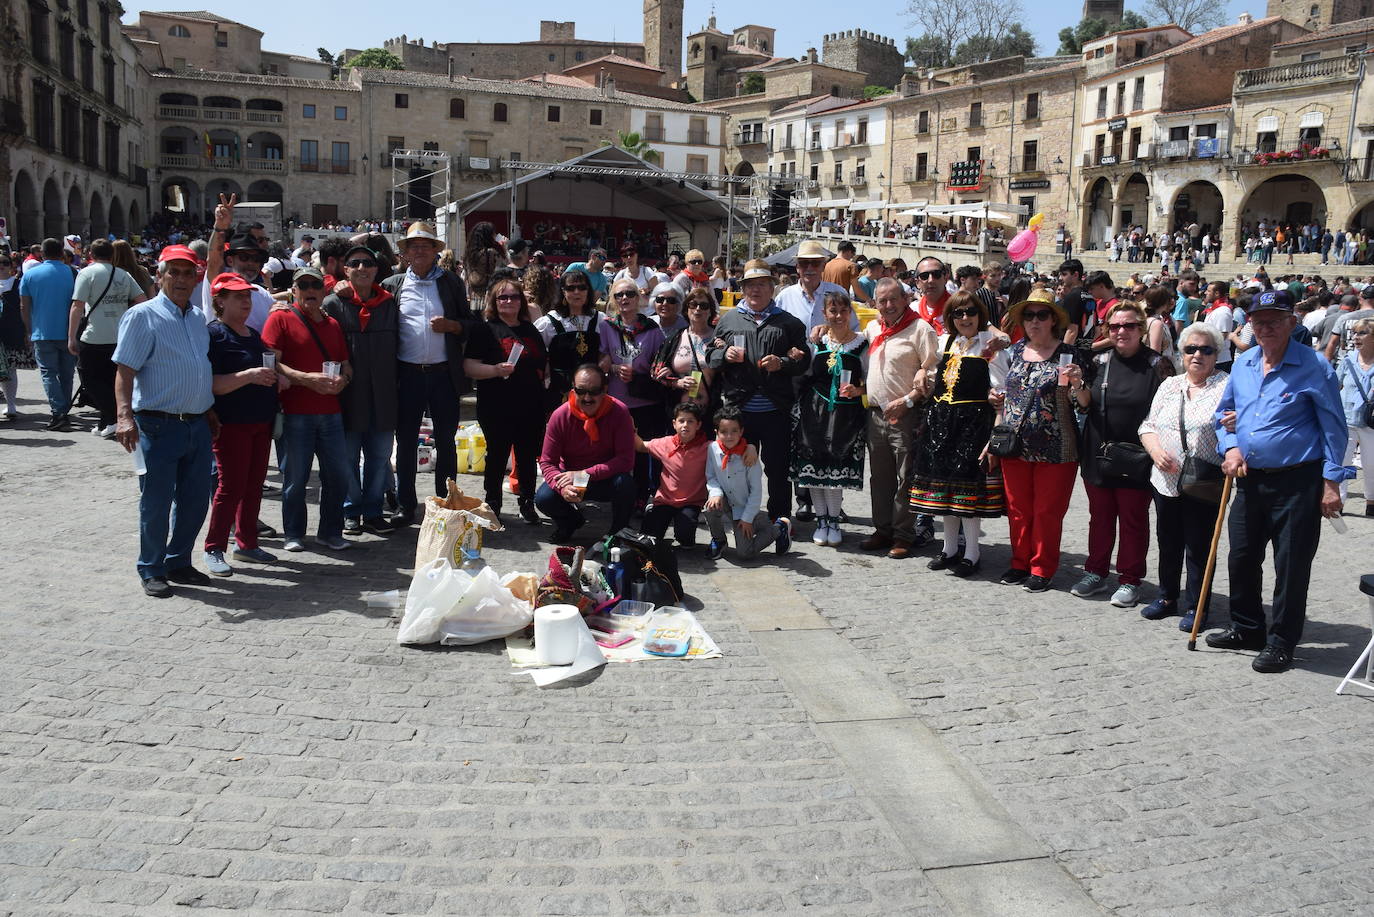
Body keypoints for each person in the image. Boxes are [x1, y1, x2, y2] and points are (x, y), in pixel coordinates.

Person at [1210, 289, 1351, 673]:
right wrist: (1231, 448)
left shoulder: (1315, 366)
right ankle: (1247, 628)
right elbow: (1224, 415)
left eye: (1275, 319)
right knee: (1241, 558)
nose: (1266, 327)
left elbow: (1334, 430)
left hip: (1298, 482)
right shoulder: (1245, 362)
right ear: (1249, 324)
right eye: (1259, 320)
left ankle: (1282, 641)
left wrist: (1332, 483)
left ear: (1292, 322)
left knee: (1290, 566)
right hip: (1249, 479)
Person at [111, 245, 215, 598]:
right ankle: (151, 567)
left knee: (195, 499)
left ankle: (179, 561)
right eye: (174, 272)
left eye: (189, 273)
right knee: (155, 501)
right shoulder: (143, 316)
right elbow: (125, 371)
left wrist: (209, 409)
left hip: (197, 424)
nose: (182, 279)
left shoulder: (198, 317)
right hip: (157, 424)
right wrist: (124, 416)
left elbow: (199, 368)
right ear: (159, 276)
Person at [1069, 301, 1173, 607]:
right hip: (1098, 450)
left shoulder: (1157, 364)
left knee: (1132, 520)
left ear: (1141, 329)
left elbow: (1167, 413)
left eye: (1129, 326)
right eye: (1114, 327)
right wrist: (1077, 385)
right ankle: (1096, 572)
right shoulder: (1099, 360)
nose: (1121, 331)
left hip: (1137, 456)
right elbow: (1085, 405)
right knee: (1099, 518)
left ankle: (1129, 579)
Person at [382, 222, 475, 526]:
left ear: (436, 252)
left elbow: (469, 323)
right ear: (405, 253)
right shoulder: (392, 285)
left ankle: (445, 503)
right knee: (406, 441)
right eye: (413, 246)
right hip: (406, 374)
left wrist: (453, 326)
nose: (419, 250)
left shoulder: (451, 283)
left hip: (442, 374)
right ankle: (406, 505)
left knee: (446, 441)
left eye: (425, 245)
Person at [706, 258, 808, 533]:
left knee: (777, 469)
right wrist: (723, 355)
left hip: (776, 410)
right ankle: (738, 516)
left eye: (761, 284)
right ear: (743, 288)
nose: (755, 290)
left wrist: (783, 364)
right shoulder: (729, 320)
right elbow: (710, 354)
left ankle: (780, 519)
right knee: (737, 468)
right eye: (750, 285)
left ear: (772, 288)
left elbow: (803, 359)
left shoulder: (789, 323)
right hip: (741, 412)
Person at [910, 291, 1008, 575]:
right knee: (945, 489)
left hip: (972, 424)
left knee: (967, 490)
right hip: (941, 422)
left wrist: (994, 426)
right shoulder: (945, 342)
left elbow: (1000, 388)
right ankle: (949, 549)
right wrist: (923, 373)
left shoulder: (989, 347)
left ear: (980, 315)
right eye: (958, 313)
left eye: (970, 312)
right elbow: (929, 367)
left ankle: (973, 553)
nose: (965, 318)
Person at [1138, 322, 1228, 629]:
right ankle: (1166, 596)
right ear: (1181, 352)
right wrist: (1155, 451)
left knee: (1200, 545)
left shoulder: (1226, 387)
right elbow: (1148, 425)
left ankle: (1197, 605)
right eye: (1190, 349)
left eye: (1206, 350)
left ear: (1217, 354)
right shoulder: (1169, 385)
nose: (1197, 355)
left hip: (1203, 480)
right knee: (1168, 541)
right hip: (1164, 479)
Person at [262, 267, 353, 553]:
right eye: (304, 285)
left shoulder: (333, 325)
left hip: (330, 411)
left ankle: (330, 532)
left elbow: (346, 364)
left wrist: (344, 380)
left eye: (315, 285)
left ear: (324, 291)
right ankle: (294, 533)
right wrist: (306, 378)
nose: (310, 290)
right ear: (294, 290)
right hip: (295, 412)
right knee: (295, 478)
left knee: (338, 475)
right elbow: (272, 362)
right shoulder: (280, 318)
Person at [998, 290, 1084, 592]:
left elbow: (1083, 403)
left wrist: (1078, 384)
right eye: (1029, 315)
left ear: (1052, 321)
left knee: (1047, 511)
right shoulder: (1016, 350)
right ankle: (1019, 562)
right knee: (1018, 508)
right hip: (1015, 447)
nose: (1035, 321)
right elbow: (1007, 397)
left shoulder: (1069, 354)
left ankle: (1042, 567)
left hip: (1056, 446)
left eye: (1041, 315)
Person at [202, 272, 285, 576]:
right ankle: (214, 547)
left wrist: (280, 378)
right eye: (238, 297)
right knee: (230, 487)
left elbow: (270, 367)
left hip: (259, 421)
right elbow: (210, 383)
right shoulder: (213, 335)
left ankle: (246, 543)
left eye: (248, 296)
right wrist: (248, 376)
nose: (246, 302)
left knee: (252, 486)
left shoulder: (253, 333)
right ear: (219, 302)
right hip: (231, 423)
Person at [323, 244, 399, 536]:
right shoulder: (333, 304)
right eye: (355, 263)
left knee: (380, 458)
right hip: (350, 395)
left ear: (377, 269)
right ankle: (351, 510)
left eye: (368, 263)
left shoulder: (390, 304)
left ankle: (373, 510)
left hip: (384, 394)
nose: (362, 268)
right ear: (346, 269)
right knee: (349, 458)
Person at [861, 277, 939, 558]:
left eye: (894, 299)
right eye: (882, 300)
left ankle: (903, 534)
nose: (888, 305)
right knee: (880, 477)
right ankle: (883, 530)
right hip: (875, 414)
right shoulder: (872, 328)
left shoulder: (920, 329)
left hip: (906, 414)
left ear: (906, 299)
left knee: (906, 477)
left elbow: (931, 373)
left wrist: (907, 401)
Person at [463, 278, 548, 523]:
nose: (509, 301)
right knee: (497, 455)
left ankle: (527, 501)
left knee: (527, 455)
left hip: (530, 403)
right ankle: (493, 502)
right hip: (496, 405)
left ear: (522, 301)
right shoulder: (484, 329)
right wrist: (495, 370)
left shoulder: (530, 329)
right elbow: (469, 367)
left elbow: (542, 362)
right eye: (503, 297)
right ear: (494, 301)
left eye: (514, 297)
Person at [791, 291, 868, 546]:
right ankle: (821, 520)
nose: (838, 316)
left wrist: (860, 390)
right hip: (815, 412)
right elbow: (806, 373)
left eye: (843, 311)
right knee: (816, 471)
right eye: (832, 311)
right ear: (825, 314)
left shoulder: (862, 343)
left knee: (835, 472)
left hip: (846, 415)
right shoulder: (817, 342)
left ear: (850, 312)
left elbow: (871, 378)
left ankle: (834, 521)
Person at [535, 364, 637, 541]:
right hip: (573, 480)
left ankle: (619, 531)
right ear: (573, 389)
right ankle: (570, 522)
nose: (587, 397)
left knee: (625, 484)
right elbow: (547, 462)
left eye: (594, 391)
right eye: (581, 391)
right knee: (544, 498)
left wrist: (584, 474)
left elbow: (626, 460)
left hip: (604, 478)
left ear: (605, 389)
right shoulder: (560, 415)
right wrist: (562, 486)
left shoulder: (619, 412)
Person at [65, 238, 146, 439]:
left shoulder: (87, 273)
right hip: (120, 336)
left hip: (94, 337)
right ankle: (107, 421)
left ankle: (112, 418)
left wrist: (71, 336)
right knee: (111, 380)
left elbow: (77, 306)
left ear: (91, 255)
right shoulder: (123, 274)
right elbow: (142, 300)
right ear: (112, 255)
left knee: (90, 380)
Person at [599, 278, 668, 499]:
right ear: (613, 300)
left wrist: (643, 373)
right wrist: (614, 367)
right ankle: (618, 494)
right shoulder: (606, 326)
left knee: (643, 453)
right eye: (619, 295)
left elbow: (661, 363)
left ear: (639, 298)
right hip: (617, 401)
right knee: (616, 450)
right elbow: (601, 359)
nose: (624, 298)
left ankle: (641, 497)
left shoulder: (652, 329)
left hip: (646, 401)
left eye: (629, 293)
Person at [706, 406, 781, 559]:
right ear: (717, 433)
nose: (729, 436)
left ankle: (778, 528)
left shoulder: (749, 456)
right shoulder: (712, 449)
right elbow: (711, 476)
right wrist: (715, 493)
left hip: (743, 507)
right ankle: (719, 540)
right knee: (710, 508)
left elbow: (756, 491)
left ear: (741, 431)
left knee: (744, 553)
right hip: (726, 501)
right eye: (724, 432)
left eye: (734, 431)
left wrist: (746, 519)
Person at [19, 238, 78, 429]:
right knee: (67, 373)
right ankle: (64, 410)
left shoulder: (30, 275)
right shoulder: (72, 272)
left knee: (48, 373)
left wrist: (28, 330)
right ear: (62, 253)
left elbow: (24, 305)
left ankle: (58, 412)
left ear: (41, 254)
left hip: (42, 331)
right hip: (68, 330)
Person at [639, 401, 712, 546]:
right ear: (674, 424)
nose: (685, 425)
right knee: (649, 539)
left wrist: (750, 448)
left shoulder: (708, 447)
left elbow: (728, 447)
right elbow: (641, 446)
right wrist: (629, 429)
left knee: (685, 537)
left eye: (690, 421)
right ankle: (652, 511)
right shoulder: (666, 443)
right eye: (681, 421)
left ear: (698, 425)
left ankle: (686, 534)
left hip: (691, 503)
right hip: (665, 501)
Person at [536, 267, 602, 402]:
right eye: (571, 288)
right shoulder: (549, 322)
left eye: (582, 287)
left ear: (588, 290)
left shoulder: (600, 320)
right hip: (559, 392)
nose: (577, 292)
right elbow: (534, 352)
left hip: (592, 393)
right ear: (563, 291)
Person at [651, 286, 716, 415]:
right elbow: (655, 371)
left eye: (703, 306)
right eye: (693, 304)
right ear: (686, 309)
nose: (698, 309)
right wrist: (677, 382)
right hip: (678, 413)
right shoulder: (675, 338)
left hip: (710, 410)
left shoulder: (719, 337)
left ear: (710, 311)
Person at [1336, 316, 1374, 512]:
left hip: (1371, 422)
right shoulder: (1348, 360)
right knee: (1342, 461)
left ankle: (1371, 501)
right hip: (1346, 418)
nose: (1356, 337)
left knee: (1371, 464)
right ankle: (1339, 501)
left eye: (1362, 333)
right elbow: (1334, 386)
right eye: (1355, 333)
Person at [0, 254, 29, 421]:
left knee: (10, 369)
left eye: (5, 263)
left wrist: (27, 331)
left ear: (11, 265)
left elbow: (24, 309)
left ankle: (11, 404)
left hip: (11, 331)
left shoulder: (18, 284)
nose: (2, 266)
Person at [462, 221, 506, 302]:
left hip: (474, 300)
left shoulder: (469, 255)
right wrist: (505, 248)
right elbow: (506, 271)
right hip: (490, 299)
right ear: (488, 236)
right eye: (493, 233)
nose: (495, 236)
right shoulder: (490, 253)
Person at [912, 256, 950, 336]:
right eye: (924, 276)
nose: (931, 280)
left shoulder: (958, 308)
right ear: (917, 283)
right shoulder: (912, 310)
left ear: (945, 278)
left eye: (936, 274)